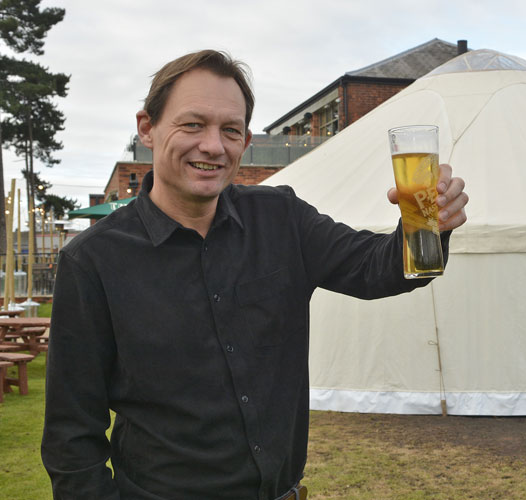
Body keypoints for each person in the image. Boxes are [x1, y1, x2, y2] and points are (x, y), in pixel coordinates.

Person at [41, 49, 468, 500]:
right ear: (148, 128)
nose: (213, 145)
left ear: (246, 141)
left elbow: (376, 269)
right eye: (193, 124)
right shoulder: (93, 260)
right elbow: (72, 435)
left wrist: (426, 227)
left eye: (230, 130)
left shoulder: (280, 217)